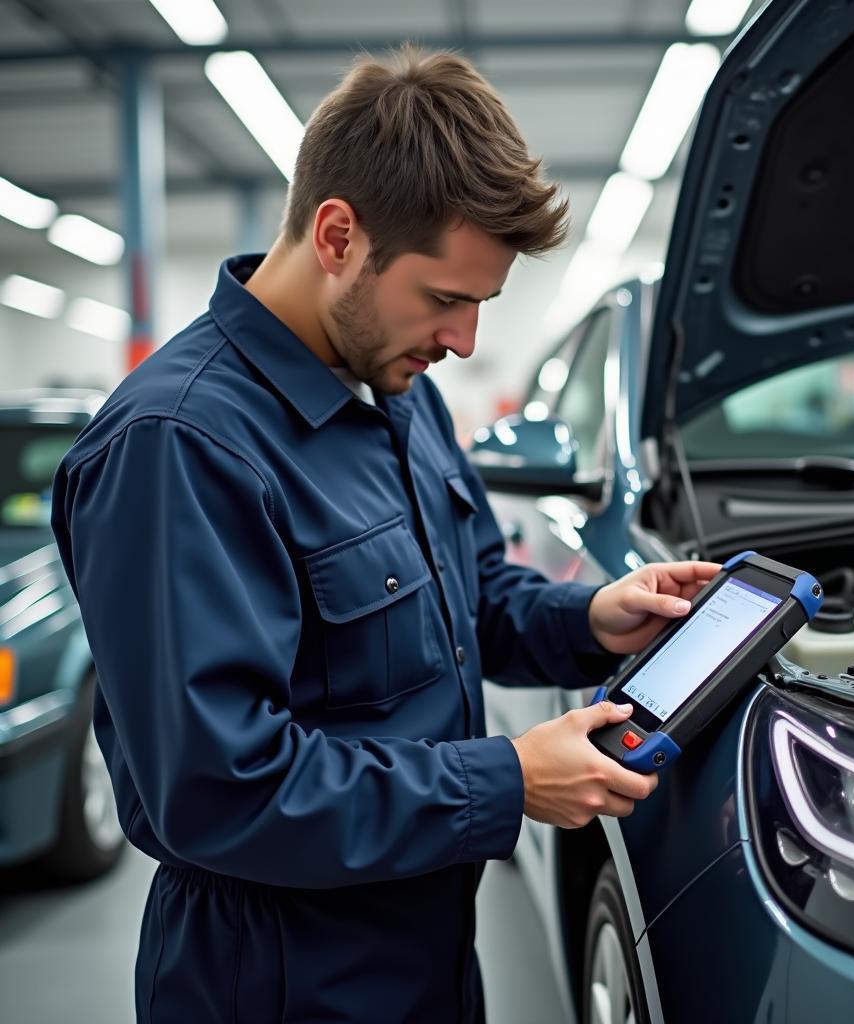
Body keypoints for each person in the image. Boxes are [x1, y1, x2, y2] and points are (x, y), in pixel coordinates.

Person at [51, 46, 720, 1024]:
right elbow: (216, 789)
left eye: (479, 305)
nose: (463, 341)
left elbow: (472, 598)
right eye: (446, 299)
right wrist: (506, 779)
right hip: (279, 977)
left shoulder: (397, 396)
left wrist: (592, 617)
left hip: (423, 948)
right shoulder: (180, 447)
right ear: (336, 235)